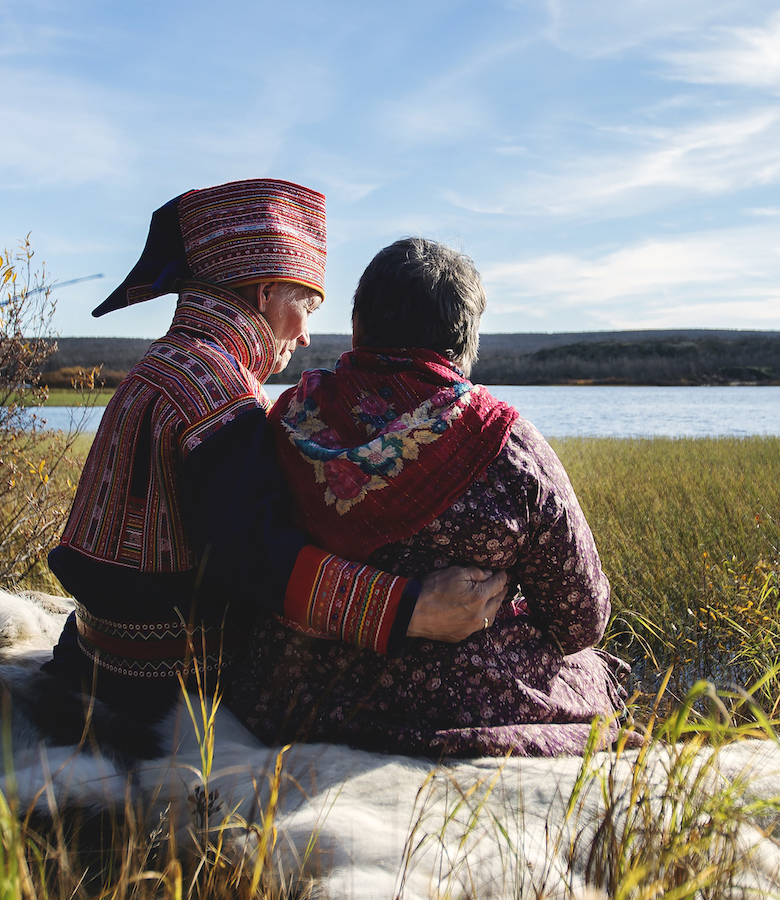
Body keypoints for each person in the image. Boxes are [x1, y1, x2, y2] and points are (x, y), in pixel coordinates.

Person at [41, 182, 509, 761]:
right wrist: (411, 609)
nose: (308, 334)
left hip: (93, 660)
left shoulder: (161, 368)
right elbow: (253, 558)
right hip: (166, 696)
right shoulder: (221, 397)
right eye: (306, 306)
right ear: (264, 295)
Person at [223, 237, 627, 757]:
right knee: (595, 671)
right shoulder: (505, 443)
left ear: (358, 326)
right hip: (473, 711)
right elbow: (582, 618)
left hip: (295, 703)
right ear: (465, 342)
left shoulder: (288, 416)